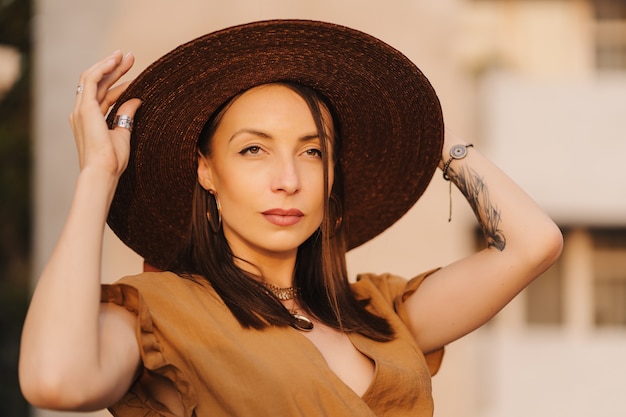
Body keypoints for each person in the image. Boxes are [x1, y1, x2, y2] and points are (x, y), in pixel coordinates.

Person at [18, 20, 562, 417]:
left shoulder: (380, 312)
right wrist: (97, 175)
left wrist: (428, 137)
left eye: (312, 151)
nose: (289, 179)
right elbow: (56, 383)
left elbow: (533, 242)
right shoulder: (163, 313)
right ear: (207, 171)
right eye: (254, 150)